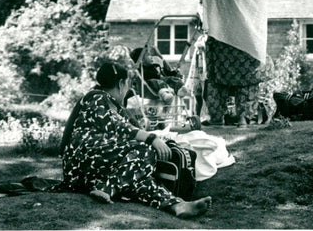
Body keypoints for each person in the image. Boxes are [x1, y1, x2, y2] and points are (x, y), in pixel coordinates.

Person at [59, 61, 212, 218]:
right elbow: (120, 127)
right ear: (121, 83)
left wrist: (155, 134)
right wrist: (152, 139)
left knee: (136, 178)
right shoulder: (97, 98)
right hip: (81, 165)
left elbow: (132, 128)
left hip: (95, 167)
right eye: (127, 84)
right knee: (145, 151)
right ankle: (107, 189)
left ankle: (176, 206)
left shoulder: (108, 103)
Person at [201, 0, 267, 126]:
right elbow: (257, 7)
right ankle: (244, 118)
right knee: (248, 80)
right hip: (250, 38)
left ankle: (217, 117)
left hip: (224, 36)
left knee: (217, 80)